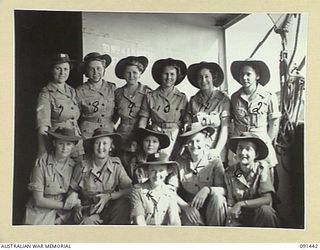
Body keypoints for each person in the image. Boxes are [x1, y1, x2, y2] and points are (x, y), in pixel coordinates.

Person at [229, 59, 281, 184]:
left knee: (266, 177)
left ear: (257, 76)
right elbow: (231, 121)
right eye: (241, 74)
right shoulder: (235, 97)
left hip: (261, 140)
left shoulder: (268, 96)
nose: (244, 77)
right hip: (240, 142)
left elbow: (274, 123)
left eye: (248, 74)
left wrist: (266, 142)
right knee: (238, 177)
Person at [69, 127, 132, 225]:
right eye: (97, 143)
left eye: (105, 143)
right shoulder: (82, 166)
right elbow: (72, 190)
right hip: (88, 210)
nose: (100, 147)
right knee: (87, 224)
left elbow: (130, 189)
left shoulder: (116, 165)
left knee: (124, 203)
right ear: (92, 145)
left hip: (110, 210)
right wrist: (77, 206)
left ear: (111, 147)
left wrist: (109, 196)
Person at [172, 122, 227, 226]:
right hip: (190, 206)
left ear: (205, 141)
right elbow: (170, 190)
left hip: (211, 206)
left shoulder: (214, 161)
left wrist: (207, 189)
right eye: (191, 142)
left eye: (198, 141)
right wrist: (185, 207)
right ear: (186, 144)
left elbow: (224, 189)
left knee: (218, 198)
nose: (194, 146)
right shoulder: (180, 162)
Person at [23, 127, 82, 225]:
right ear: (54, 143)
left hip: (64, 213)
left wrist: (76, 203)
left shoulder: (74, 166)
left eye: (68, 144)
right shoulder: (41, 164)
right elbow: (38, 200)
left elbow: (74, 190)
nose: (64, 148)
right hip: (41, 210)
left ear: (73, 146)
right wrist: (64, 205)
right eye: (61, 143)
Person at [225, 132, 280, 227]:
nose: (242, 152)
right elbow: (230, 203)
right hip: (240, 217)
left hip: (259, 217)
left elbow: (267, 199)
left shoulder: (262, 169)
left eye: (248, 149)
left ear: (256, 154)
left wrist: (241, 204)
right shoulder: (230, 172)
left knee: (267, 211)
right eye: (240, 148)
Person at [138, 58, 188, 157]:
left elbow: (186, 121)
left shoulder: (182, 98)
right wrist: (140, 138)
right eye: (165, 74)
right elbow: (143, 120)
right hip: (156, 138)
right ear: (160, 75)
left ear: (177, 76)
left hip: (175, 138)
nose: (168, 77)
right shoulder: (150, 96)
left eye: (172, 74)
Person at [36, 53, 82, 157]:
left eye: (66, 69)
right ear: (52, 70)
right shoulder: (46, 93)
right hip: (59, 146)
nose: (62, 73)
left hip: (76, 145)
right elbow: (43, 126)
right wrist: (43, 152)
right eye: (58, 68)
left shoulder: (72, 91)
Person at [185, 61, 230, 162]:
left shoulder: (223, 99)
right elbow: (187, 124)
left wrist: (217, 150)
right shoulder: (193, 100)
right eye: (200, 77)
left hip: (216, 148)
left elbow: (225, 128)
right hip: (197, 150)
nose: (203, 80)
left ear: (213, 77)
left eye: (206, 76)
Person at [114, 56, 152, 172]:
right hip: (122, 136)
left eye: (135, 72)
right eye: (128, 73)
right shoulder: (118, 93)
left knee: (140, 168)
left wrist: (140, 137)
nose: (131, 76)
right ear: (123, 75)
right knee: (123, 167)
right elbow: (113, 117)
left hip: (141, 134)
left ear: (140, 73)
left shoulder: (147, 92)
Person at [130, 152, 181, 226]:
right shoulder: (138, 190)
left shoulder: (170, 192)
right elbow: (139, 219)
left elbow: (174, 219)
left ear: (168, 171)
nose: (157, 175)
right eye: (153, 170)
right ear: (147, 171)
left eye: (161, 171)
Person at [76, 52, 115, 139]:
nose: (95, 72)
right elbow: (75, 116)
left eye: (99, 68)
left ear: (104, 69)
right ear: (86, 72)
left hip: (108, 131)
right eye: (91, 69)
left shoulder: (111, 88)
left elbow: (117, 112)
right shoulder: (80, 91)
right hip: (87, 133)